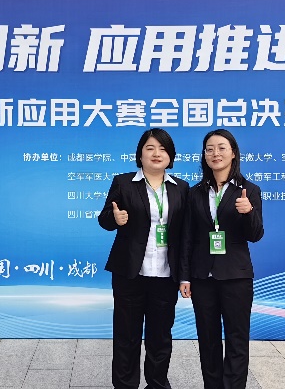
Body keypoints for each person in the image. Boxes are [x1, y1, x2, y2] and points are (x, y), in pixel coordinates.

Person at [98, 128, 189, 389]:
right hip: (130, 273)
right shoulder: (123, 182)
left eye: (163, 149)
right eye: (150, 148)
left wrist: (185, 275)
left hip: (166, 275)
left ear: (171, 156)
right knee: (126, 336)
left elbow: (185, 236)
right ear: (140, 154)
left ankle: (157, 384)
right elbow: (104, 219)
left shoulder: (182, 188)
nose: (156, 153)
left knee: (160, 337)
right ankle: (125, 385)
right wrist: (115, 219)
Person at [179, 129, 264, 389]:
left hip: (236, 277)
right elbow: (187, 238)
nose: (215, 153)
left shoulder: (249, 190)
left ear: (233, 153)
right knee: (208, 340)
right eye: (209, 149)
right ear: (204, 156)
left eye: (221, 148)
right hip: (202, 277)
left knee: (237, 340)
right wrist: (184, 276)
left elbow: (255, 235)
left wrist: (248, 212)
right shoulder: (194, 193)